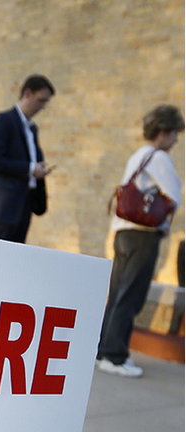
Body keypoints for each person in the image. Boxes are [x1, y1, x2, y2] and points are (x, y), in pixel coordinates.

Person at [96, 105, 184, 378]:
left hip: (123, 232)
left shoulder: (139, 155)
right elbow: (175, 195)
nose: (176, 140)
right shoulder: (159, 158)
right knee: (131, 296)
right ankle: (115, 355)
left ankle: (103, 351)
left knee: (118, 293)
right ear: (164, 131)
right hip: (143, 236)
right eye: (175, 134)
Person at [0, 75, 55, 243]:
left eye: (45, 102)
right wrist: (30, 169)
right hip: (4, 205)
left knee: (14, 260)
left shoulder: (32, 128)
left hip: (24, 204)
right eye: (40, 100)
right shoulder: (4, 120)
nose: (42, 107)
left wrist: (38, 168)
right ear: (27, 94)